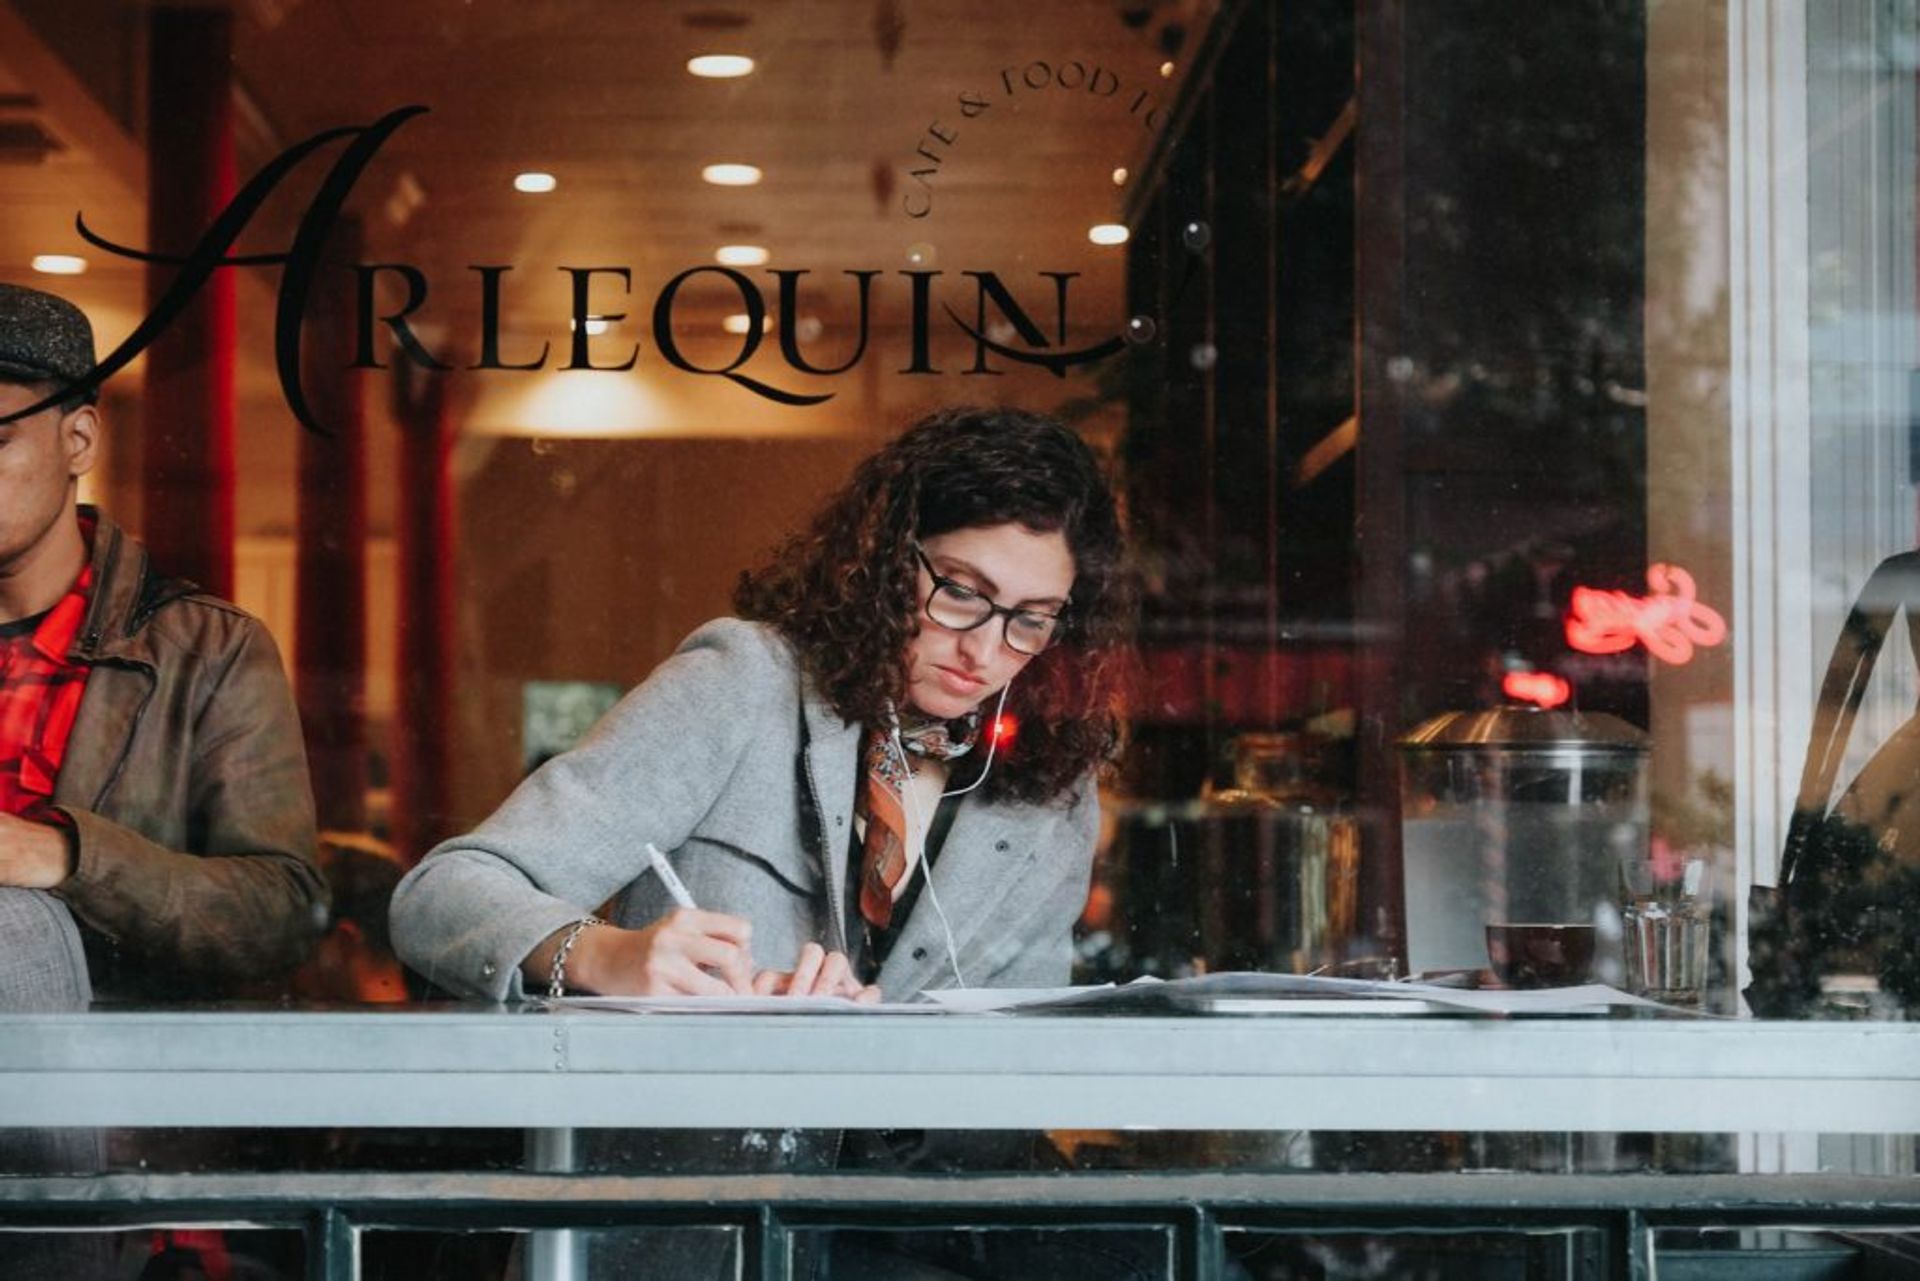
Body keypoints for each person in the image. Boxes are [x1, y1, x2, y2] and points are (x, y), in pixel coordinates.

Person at [391, 404, 1131, 1002]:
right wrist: (604, 955)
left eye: (1031, 618)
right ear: (882, 560)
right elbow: (439, 898)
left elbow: (1025, 1066)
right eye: (962, 592)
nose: (985, 649)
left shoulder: (1053, 794)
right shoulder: (744, 683)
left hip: (933, 1188)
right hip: (703, 1175)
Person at [0, 281, 325, 1000]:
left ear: (78, 440)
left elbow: (284, 911)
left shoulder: (209, 650)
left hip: (111, 1089)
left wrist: (62, 854)